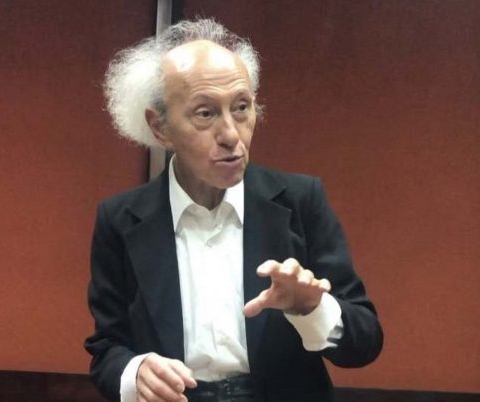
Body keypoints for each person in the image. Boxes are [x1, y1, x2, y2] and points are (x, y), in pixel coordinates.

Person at [85, 18, 383, 402]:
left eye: (241, 107)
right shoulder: (120, 220)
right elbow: (107, 347)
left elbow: (366, 341)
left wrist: (313, 308)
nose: (231, 135)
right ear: (160, 128)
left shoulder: (300, 200)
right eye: (205, 113)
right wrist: (135, 372)